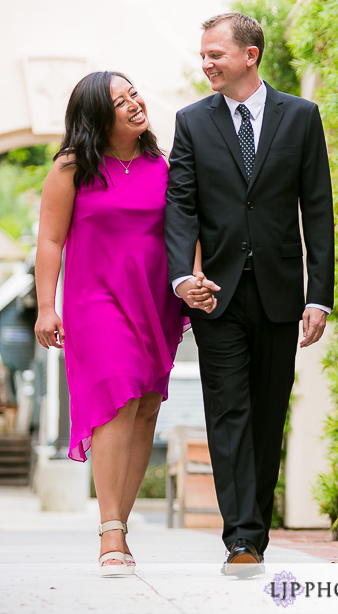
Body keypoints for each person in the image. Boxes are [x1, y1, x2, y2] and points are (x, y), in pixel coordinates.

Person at [164, 12, 335, 577]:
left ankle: (253, 530)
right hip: (216, 294)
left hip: (283, 293)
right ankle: (240, 537)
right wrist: (182, 278)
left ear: (250, 55)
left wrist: (319, 295)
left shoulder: (302, 117)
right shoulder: (191, 122)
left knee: (266, 413)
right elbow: (181, 206)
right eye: (204, 55)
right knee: (229, 411)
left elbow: (317, 209)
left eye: (216, 54)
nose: (207, 63)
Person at [34, 71, 213, 577]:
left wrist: (194, 277)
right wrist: (47, 306)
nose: (135, 103)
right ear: (97, 115)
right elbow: (49, 240)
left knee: (144, 409)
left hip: (156, 303)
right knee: (117, 398)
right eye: (120, 100)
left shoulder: (167, 166)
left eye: (134, 93)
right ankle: (109, 530)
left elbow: (188, 230)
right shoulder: (72, 169)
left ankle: (121, 528)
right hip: (96, 302)